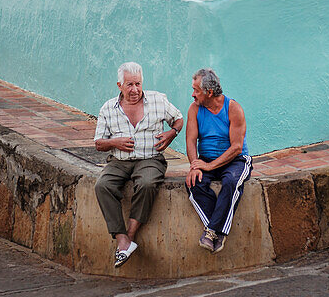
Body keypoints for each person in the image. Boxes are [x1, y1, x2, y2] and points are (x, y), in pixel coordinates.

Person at [94, 62, 183, 268]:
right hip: (119, 161)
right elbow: (99, 143)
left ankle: (129, 238)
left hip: (150, 158)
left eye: (138, 84)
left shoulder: (158, 100)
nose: (134, 90)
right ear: (119, 86)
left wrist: (172, 133)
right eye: (129, 85)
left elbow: (178, 119)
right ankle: (121, 239)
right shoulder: (108, 108)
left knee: (147, 183)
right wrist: (114, 142)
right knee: (102, 186)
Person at [185, 68, 251, 254]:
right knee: (193, 183)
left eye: (196, 90)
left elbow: (236, 147)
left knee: (230, 182)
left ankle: (212, 231)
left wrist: (209, 166)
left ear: (209, 92)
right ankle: (217, 230)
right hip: (206, 158)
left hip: (235, 160)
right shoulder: (194, 109)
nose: (193, 94)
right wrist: (194, 165)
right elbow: (190, 140)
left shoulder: (233, 108)